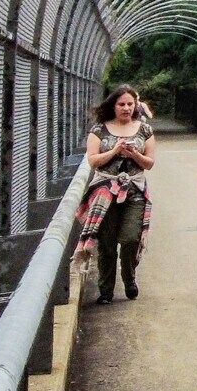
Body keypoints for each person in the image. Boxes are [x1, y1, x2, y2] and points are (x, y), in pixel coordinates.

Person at [75, 85, 156, 304]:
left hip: (134, 190)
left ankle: (129, 277)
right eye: (121, 104)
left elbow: (149, 163)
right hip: (105, 191)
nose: (126, 108)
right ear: (113, 106)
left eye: (130, 104)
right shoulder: (99, 130)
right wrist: (114, 151)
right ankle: (106, 291)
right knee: (107, 243)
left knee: (130, 239)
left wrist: (134, 154)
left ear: (135, 106)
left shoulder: (144, 130)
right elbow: (93, 160)